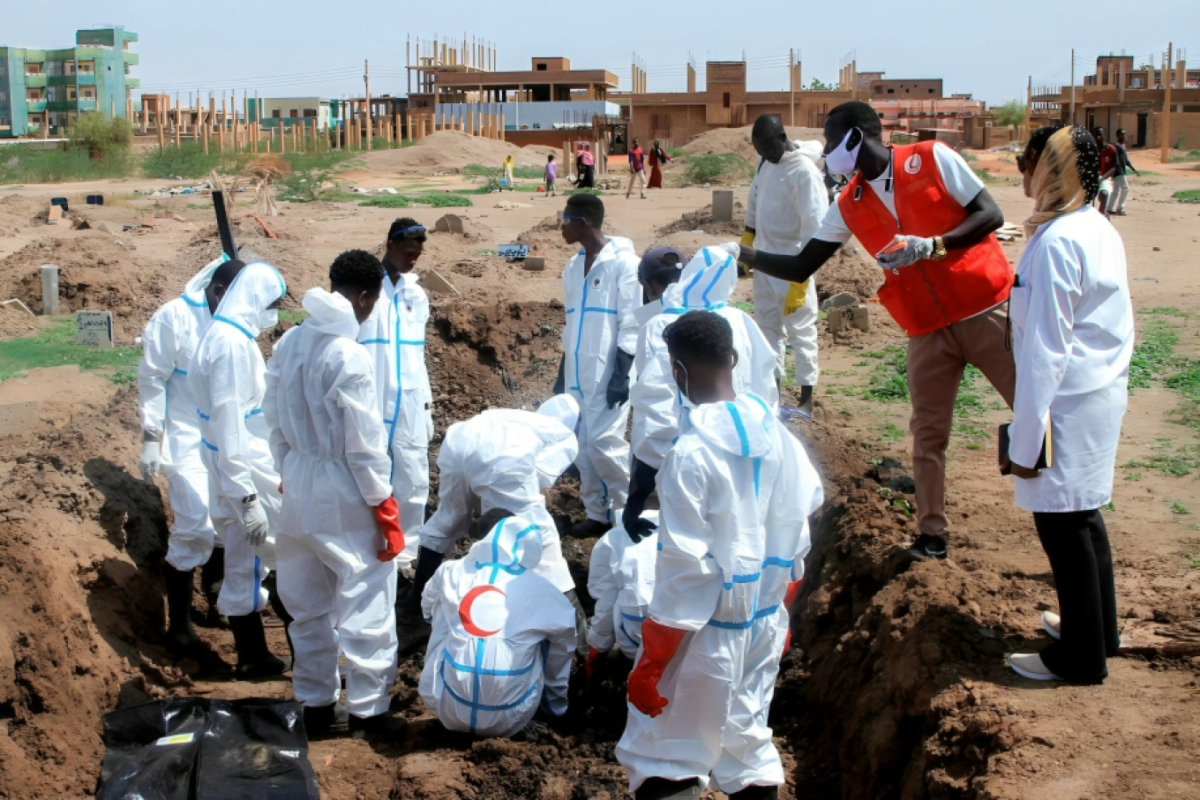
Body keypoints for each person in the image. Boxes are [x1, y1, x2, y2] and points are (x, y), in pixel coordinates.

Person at [736, 100, 1015, 563]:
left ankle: (1067, 509)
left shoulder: (931, 158)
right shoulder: (849, 202)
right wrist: (743, 255)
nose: (826, 150)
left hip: (984, 307)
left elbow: (990, 214)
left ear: (854, 137)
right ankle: (932, 536)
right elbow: (804, 264)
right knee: (927, 435)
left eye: (831, 141)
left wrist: (934, 245)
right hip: (926, 326)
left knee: (1033, 409)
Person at [615, 310, 823, 800]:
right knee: (746, 748)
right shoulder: (782, 440)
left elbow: (686, 571)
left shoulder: (690, 454)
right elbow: (799, 537)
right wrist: (779, 615)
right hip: (762, 625)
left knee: (665, 755)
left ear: (677, 371)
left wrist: (652, 664)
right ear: (733, 358)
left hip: (704, 634)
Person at [1003, 125, 1131, 684]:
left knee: (1063, 523)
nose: (1023, 172)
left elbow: (1046, 349)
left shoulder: (1058, 241)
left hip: (1067, 399)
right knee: (1084, 516)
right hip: (1095, 390)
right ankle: (1098, 631)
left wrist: (1027, 433)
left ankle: (1080, 658)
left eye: (1030, 162)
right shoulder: (1092, 225)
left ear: (1053, 169)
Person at [264, 250, 406, 737]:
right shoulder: (349, 355)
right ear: (364, 298)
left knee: (306, 604)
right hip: (343, 488)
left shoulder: (290, 342)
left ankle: (316, 704)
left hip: (298, 484)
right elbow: (363, 445)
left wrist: (288, 470)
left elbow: (272, 418)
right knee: (367, 598)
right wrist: (384, 506)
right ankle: (369, 710)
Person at [625, 246, 780, 540]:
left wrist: (639, 493)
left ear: (648, 286)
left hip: (686, 467)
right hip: (752, 449)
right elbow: (768, 384)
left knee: (689, 541)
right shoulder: (741, 320)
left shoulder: (661, 326)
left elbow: (656, 412)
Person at [412, 395, 587, 640]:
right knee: (542, 540)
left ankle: (417, 597)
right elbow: (538, 476)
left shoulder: (519, 419)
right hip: (502, 460)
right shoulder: (565, 436)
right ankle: (578, 637)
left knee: (448, 519)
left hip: (458, 440)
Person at [188, 260, 290, 678]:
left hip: (227, 466)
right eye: (272, 304)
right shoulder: (230, 345)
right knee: (286, 559)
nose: (274, 313)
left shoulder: (223, 335)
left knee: (244, 561)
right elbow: (230, 424)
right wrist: (247, 498)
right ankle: (311, 658)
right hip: (243, 469)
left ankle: (253, 655)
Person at [139, 255, 243, 658]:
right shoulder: (174, 318)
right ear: (217, 292)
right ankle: (179, 626)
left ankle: (217, 593)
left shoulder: (237, 321)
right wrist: (152, 437)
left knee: (229, 517)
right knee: (195, 524)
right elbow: (152, 378)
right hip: (184, 437)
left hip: (225, 436)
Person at [419, 513, 577, 737]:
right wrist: (556, 701)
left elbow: (426, 607)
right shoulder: (542, 589)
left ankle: (449, 687)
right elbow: (566, 640)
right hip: (512, 718)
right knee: (547, 634)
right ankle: (547, 707)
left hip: (444, 706)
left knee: (443, 608)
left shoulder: (450, 571)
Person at [556, 193, 641, 537]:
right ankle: (597, 513)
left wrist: (621, 374)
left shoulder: (625, 264)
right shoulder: (573, 268)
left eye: (566, 220)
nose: (561, 227)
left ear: (585, 221)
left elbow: (632, 322)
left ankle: (627, 513)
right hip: (577, 372)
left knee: (604, 444)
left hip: (609, 372)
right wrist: (562, 374)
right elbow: (571, 324)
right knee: (581, 446)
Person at [742, 115, 829, 418]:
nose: (765, 155)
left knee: (801, 332)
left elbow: (815, 228)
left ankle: (806, 401)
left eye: (768, 149)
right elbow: (754, 201)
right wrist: (748, 238)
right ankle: (774, 396)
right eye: (760, 151)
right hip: (765, 262)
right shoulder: (765, 162)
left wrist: (801, 280)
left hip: (793, 263)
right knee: (767, 330)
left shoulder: (803, 172)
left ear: (782, 138)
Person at [358, 218, 432, 571]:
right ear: (389, 246)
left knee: (414, 479)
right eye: (407, 253)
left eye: (417, 254)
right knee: (369, 475)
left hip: (410, 402)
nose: (412, 260)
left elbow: (418, 356)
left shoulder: (416, 296)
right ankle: (369, 544)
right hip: (371, 400)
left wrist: (426, 406)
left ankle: (407, 553)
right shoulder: (365, 291)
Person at [586, 511, 658, 666]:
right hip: (691, 640)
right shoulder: (695, 532)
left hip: (639, 640)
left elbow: (606, 600)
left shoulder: (613, 539)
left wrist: (598, 646)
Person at [1107, 128, 1138, 216]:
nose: (1123, 136)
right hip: (1118, 170)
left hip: (1121, 170)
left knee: (1116, 191)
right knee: (1126, 188)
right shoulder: (1115, 146)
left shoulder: (1123, 146)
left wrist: (1133, 169)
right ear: (1117, 136)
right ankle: (1120, 208)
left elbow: (1126, 160)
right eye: (1121, 135)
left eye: (1124, 135)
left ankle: (1109, 208)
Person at [1094, 128, 1118, 217]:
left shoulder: (1111, 149)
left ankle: (1102, 214)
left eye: (1100, 134)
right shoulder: (1093, 150)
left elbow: (1115, 167)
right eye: (1096, 135)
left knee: (1104, 194)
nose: (1098, 137)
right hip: (1094, 178)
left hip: (1106, 178)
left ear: (1104, 135)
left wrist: (1102, 178)